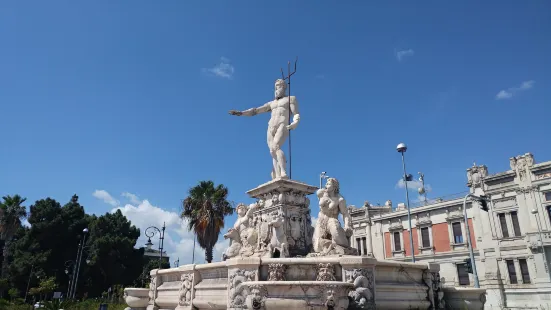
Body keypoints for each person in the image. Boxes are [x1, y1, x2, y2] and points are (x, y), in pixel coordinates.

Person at [229, 79, 300, 179]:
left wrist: (295, 122)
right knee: (272, 151)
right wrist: (241, 113)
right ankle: (277, 174)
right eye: (275, 86)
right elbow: (256, 111)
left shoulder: (290, 99)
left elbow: (296, 113)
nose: (276, 89)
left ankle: (283, 172)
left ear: (284, 87)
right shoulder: (271, 103)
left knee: (276, 147)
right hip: (271, 126)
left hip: (282, 124)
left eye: (278, 86)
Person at [312, 178, 357, 255]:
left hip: (332, 219)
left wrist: (347, 225)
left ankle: (341, 243)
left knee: (337, 235)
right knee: (317, 247)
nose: (326, 185)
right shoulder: (322, 194)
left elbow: (345, 213)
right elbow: (318, 193)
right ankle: (331, 245)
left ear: (334, 187)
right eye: (326, 183)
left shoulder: (340, 199)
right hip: (321, 220)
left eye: (329, 184)